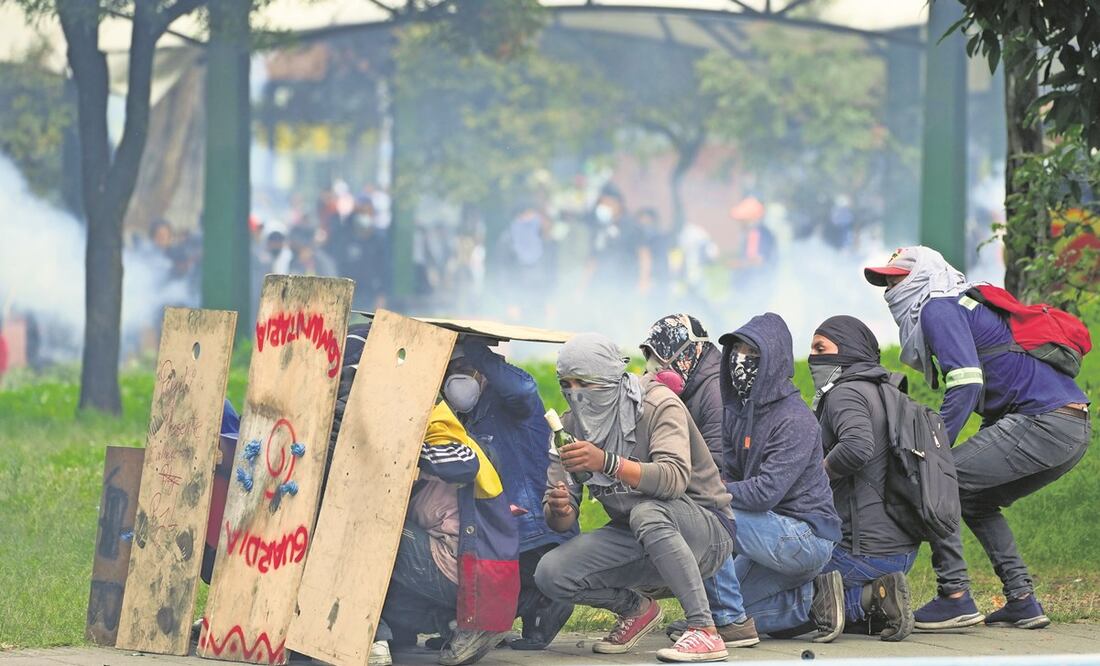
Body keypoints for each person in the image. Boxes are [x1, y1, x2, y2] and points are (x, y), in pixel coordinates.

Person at [865, 246, 1091, 631]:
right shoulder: (959, 304)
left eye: (896, 277)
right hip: (1069, 426)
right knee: (974, 500)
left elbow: (967, 382)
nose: (889, 287)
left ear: (922, 275)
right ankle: (1022, 600)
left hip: (1042, 421)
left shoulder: (938, 306)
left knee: (935, 481)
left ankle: (954, 595)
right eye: (885, 280)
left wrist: (934, 449)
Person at [534, 333, 735, 663]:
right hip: (635, 533)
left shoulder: (657, 404)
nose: (575, 393)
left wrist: (606, 462)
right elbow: (561, 520)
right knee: (550, 573)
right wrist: (558, 507)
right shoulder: (568, 427)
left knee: (646, 512)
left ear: (610, 378)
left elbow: (672, 480)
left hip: (705, 531)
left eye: (584, 382)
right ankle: (635, 609)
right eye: (565, 383)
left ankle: (704, 630)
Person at [443, 338, 577, 650]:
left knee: (521, 576)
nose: (456, 380)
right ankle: (533, 605)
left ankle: (549, 599)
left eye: (463, 369)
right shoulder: (459, 417)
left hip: (538, 530)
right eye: (450, 372)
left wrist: (478, 354)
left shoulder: (511, 404)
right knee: (460, 608)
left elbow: (524, 389)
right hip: (500, 531)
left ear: (483, 372)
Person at [718, 313, 845, 643]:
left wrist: (710, 492)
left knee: (709, 517)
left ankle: (718, 623)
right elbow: (730, 475)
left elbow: (764, 494)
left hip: (806, 536)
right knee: (720, 607)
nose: (740, 361)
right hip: (766, 530)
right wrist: (715, 487)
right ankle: (814, 604)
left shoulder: (795, 419)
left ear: (773, 361)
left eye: (751, 354)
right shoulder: (736, 412)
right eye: (737, 351)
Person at [639, 314, 760, 648]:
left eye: (661, 358)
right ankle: (713, 612)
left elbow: (717, 463)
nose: (653, 367)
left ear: (689, 352)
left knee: (700, 515)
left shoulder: (712, 390)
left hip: (731, 484)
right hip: (724, 479)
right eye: (650, 357)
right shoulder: (693, 382)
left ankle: (729, 618)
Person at [808, 315, 918, 641]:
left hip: (861, 551)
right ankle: (880, 594)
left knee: (776, 598)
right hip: (901, 550)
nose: (814, 358)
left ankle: (874, 600)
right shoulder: (890, 391)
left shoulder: (845, 392)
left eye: (820, 348)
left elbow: (857, 447)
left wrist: (816, 477)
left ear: (848, 349)